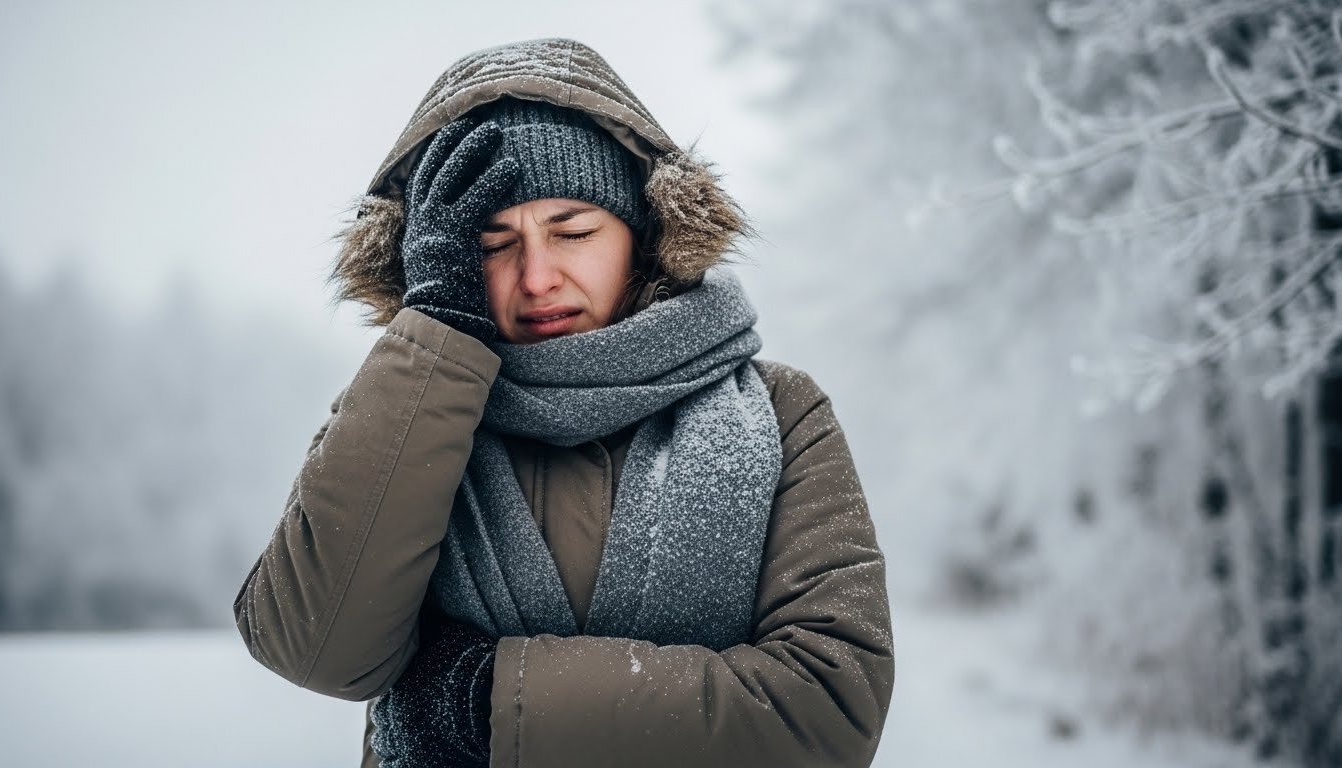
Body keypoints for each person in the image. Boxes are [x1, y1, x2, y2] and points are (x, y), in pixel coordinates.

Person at [233, 37, 895, 768]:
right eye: (490, 244)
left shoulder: (781, 413)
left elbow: (831, 708)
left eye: (572, 232)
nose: (537, 277)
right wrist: (438, 336)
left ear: (643, 236)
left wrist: (485, 702)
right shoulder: (404, 410)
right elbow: (316, 648)